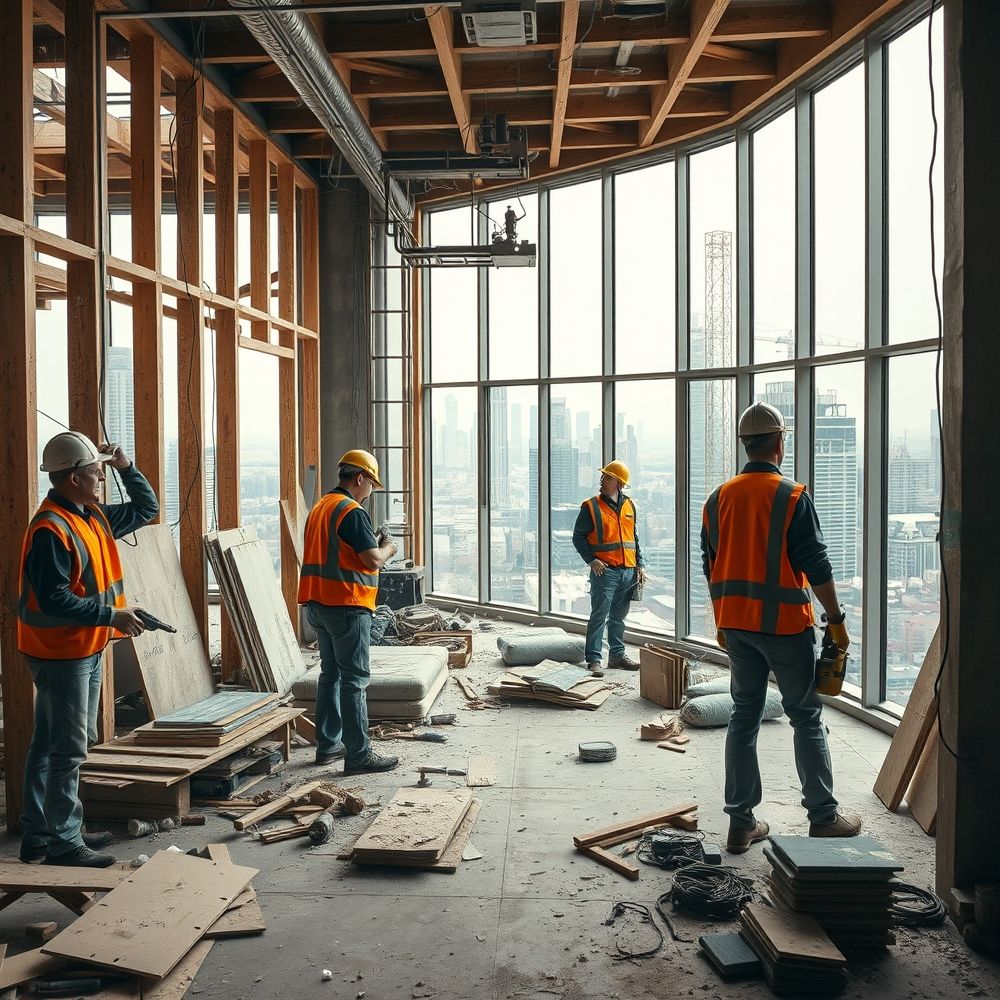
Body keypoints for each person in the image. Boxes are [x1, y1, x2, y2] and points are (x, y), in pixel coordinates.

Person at [700, 401, 861, 855]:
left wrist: (723, 621)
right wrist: (835, 619)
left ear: (745, 443)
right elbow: (816, 564)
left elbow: (710, 566)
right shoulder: (790, 496)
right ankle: (824, 817)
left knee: (743, 717)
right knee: (805, 716)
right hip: (785, 627)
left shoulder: (717, 498)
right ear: (779, 441)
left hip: (737, 627)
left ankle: (740, 823)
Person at [18, 432, 159, 867]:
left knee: (50, 742)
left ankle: (43, 833)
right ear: (74, 478)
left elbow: (146, 510)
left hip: (82, 648)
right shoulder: (50, 530)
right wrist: (112, 616)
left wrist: (125, 466)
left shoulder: (90, 515)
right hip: (61, 652)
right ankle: (63, 843)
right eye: (97, 472)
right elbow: (55, 598)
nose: (102, 477)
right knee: (69, 748)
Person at [298, 449, 400, 773]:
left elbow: (336, 552)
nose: (371, 491)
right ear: (360, 478)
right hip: (347, 605)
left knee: (331, 675)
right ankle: (359, 755)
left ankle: (328, 746)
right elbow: (372, 560)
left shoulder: (321, 506)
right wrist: (389, 548)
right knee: (355, 680)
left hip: (318, 604)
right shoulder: (352, 512)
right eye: (372, 483)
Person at [573, 461, 646, 677]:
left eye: (607, 477)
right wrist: (591, 560)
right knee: (599, 616)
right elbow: (578, 537)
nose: (602, 480)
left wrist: (639, 564)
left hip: (628, 571)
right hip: (605, 572)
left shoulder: (629, 506)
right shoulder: (591, 506)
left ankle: (616, 656)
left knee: (618, 617)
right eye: (603, 477)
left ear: (620, 484)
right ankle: (594, 659)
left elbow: (634, 538)